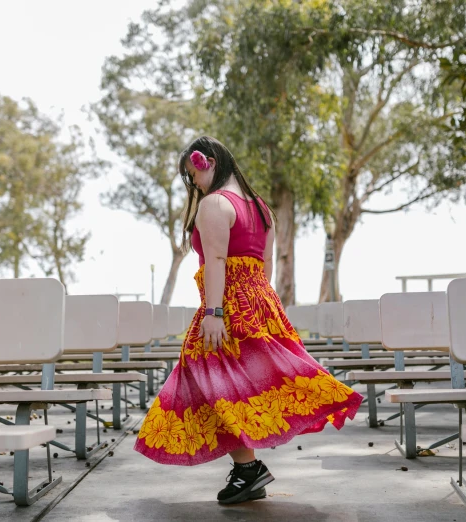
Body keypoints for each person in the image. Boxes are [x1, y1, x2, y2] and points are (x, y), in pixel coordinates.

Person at [134, 136, 363, 505]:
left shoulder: (214, 205)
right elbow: (266, 268)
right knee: (238, 385)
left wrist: (214, 312)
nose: (194, 184)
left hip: (226, 306)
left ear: (207, 162)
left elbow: (217, 262)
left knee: (208, 380)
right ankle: (247, 468)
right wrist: (253, 306)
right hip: (260, 301)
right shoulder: (261, 208)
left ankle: (247, 468)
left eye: (193, 175)